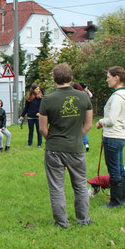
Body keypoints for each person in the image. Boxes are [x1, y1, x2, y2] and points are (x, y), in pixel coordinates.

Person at [39, 63, 93, 228]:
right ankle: (83, 220)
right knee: (81, 185)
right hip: (76, 148)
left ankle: (61, 222)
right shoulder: (84, 97)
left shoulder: (47, 99)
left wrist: (53, 139)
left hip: (54, 148)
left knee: (56, 187)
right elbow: (88, 124)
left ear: (54, 79)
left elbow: (42, 128)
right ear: (71, 78)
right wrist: (76, 137)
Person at [96, 66, 125, 208]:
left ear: (116, 77)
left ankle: (115, 202)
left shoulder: (118, 97)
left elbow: (111, 119)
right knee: (119, 167)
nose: (107, 80)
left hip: (113, 137)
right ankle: (122, 199)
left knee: (114, 169)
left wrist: (100, 122)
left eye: (108, 77)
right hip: (120, 136)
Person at [20, 84, 43, 148]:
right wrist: (22, 115)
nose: (38, 90)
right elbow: (26, 108)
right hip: (30, 116)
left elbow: (44, 106)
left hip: (38, 117)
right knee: (31, 131)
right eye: (36, 89)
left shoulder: (41, 97)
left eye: (39, 89)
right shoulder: (29, 97)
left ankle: (39, 144)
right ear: (33, 90)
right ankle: (29, 143)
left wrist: (40, 112)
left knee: (39, 131)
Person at [72, 83, 92, 151]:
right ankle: (86, 144)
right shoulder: (85, 95)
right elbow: (90, 95)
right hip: (84, 114)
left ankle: (77, 143)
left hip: (76, 115)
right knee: (83, 128)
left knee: (77, 129)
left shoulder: (73, 96)